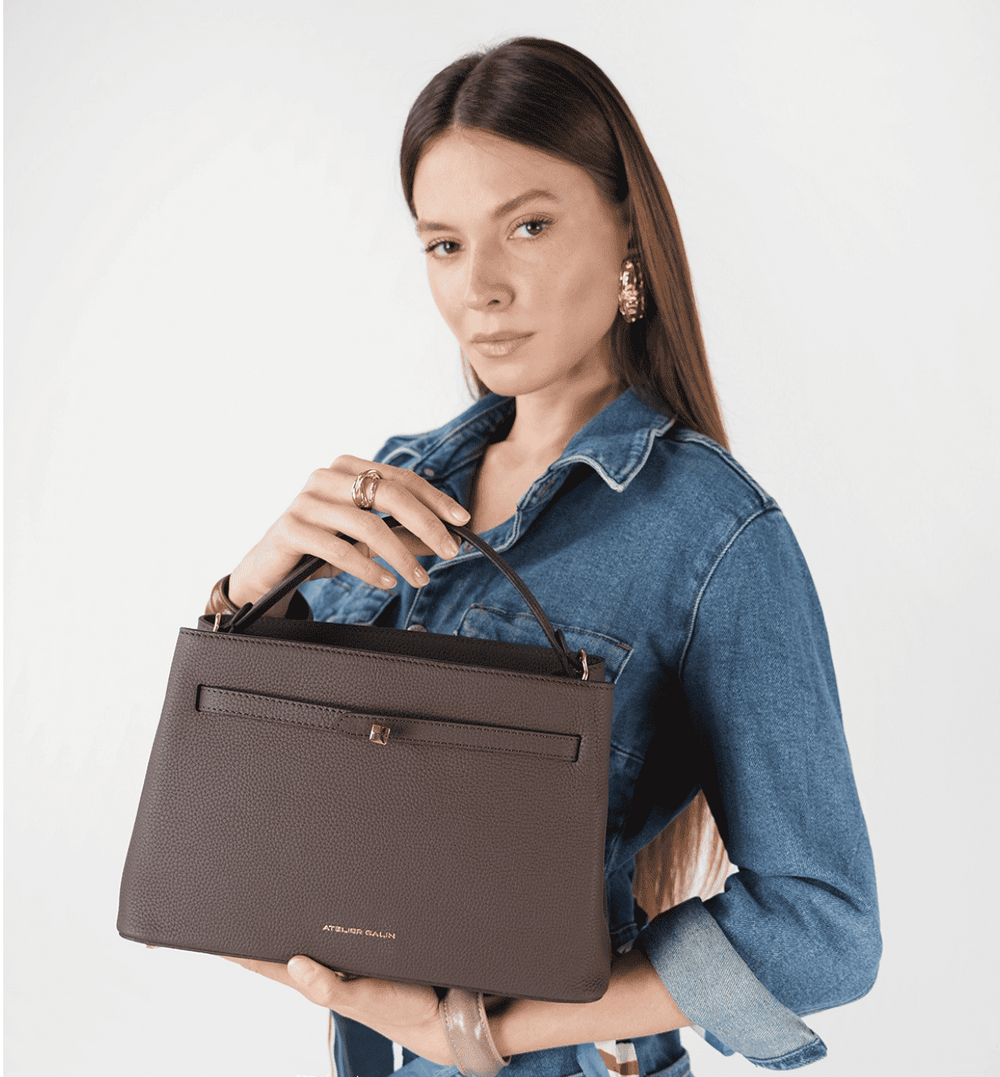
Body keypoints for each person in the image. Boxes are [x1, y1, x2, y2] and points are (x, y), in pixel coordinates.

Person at [213, 36, 881, 1077]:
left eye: (527, 226)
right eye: (444, 245)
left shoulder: (714, 534)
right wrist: (247, 594)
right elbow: (227, 826)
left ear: (628, 235)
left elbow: (824, 926)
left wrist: (484, 1030)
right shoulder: (393, 487)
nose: (480, 288)